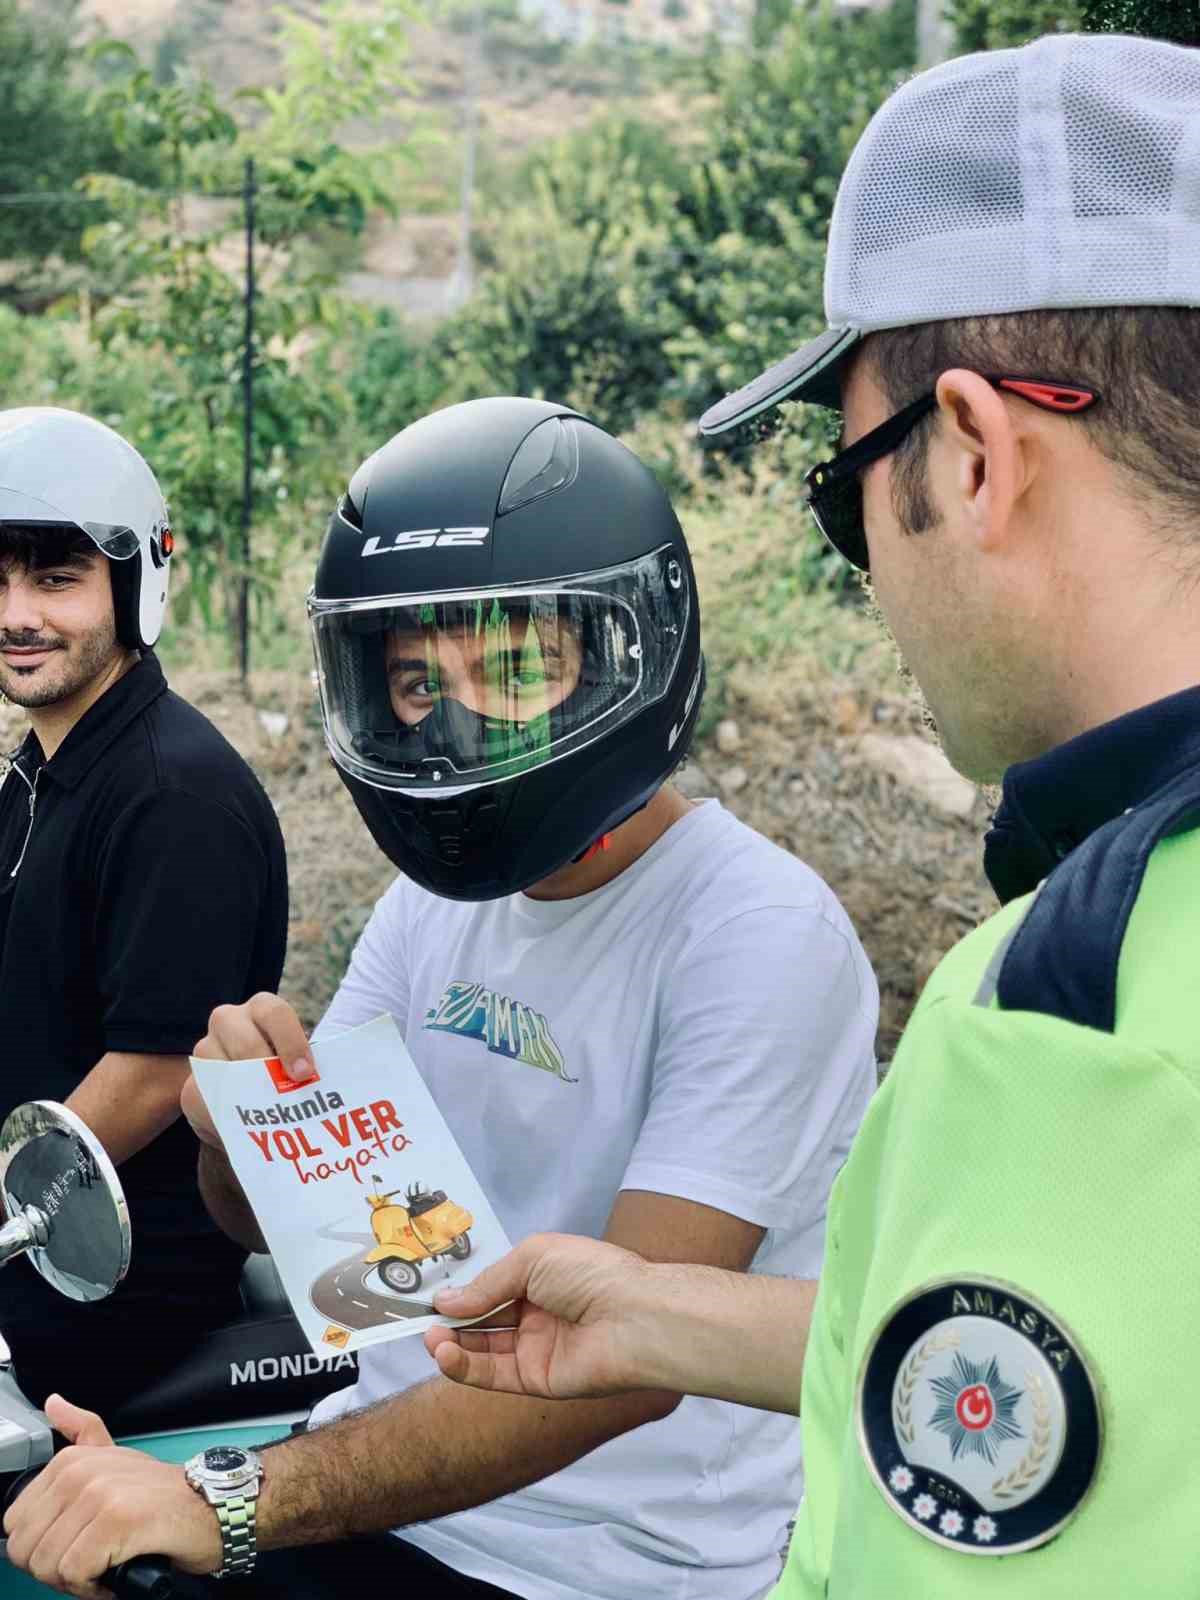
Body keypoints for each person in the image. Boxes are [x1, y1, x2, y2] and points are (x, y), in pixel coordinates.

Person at [409, 29, 1200, 1600]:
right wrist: (655, 1317)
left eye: (846, 495)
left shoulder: (1083, 999)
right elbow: (1067, 1393)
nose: (872, 572)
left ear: (973, 453)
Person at [2, 397, 878, 1599]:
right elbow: (328, 1245)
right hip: (379, 1489)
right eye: (417, 681)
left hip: (598, 1561)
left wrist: (235, 1498)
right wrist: (237, 1140)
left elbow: (619, 1369)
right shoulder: (438, 905)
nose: (459, 718)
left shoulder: (756, 932)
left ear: (626, 652)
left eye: (516, 665)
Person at [0, 407, 288, 1416]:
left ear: (135, 583)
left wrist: (5, 1207)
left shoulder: (173, 797)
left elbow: (159, 1069)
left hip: (104, 1281)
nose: (17, 612)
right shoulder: (48, 765)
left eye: (54, 578)